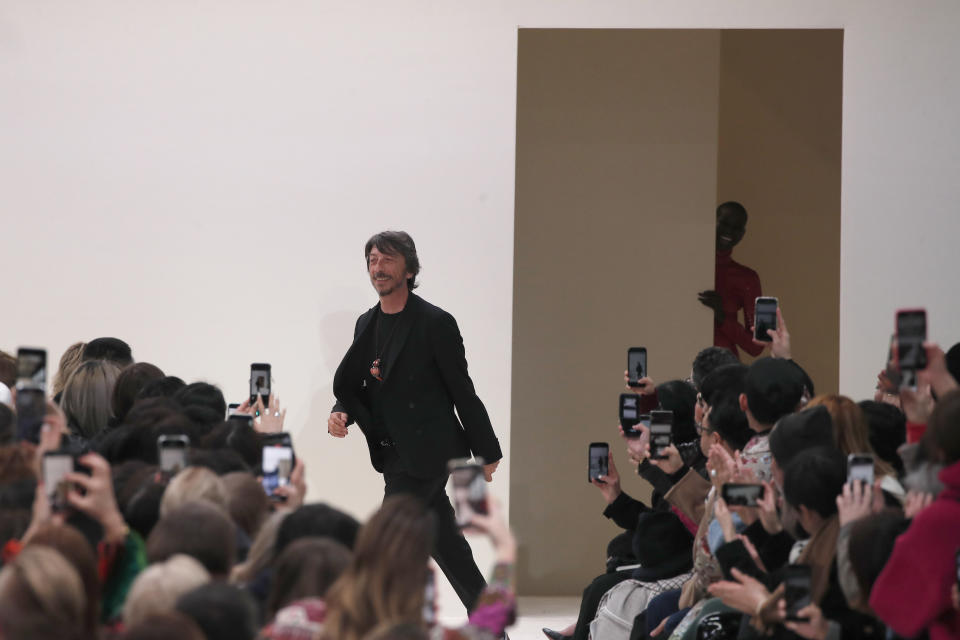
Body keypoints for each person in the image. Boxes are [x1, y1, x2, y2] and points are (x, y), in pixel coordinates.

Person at [327, 231, 503, 610]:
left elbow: (462, 391)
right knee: (443, 541)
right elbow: (361, 381)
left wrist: (486, 450)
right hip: (392, 454)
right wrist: (341, 410)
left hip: (431, 452)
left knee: (388, 537)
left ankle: (369, 623)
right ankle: (490, 622)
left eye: (387, 259)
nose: (378, 268)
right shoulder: (366, 323)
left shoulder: (435, 323)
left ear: (409, 267)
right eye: (373, 260)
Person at [697, 202, 764, 359]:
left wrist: (722, 317)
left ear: (742, 233)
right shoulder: (689, 267)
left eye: (736, 228)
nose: (728, 231)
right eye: (724, 223)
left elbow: (756, 347)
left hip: (725, 372)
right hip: (683, 358)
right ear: (712, 222)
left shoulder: (747, 278)